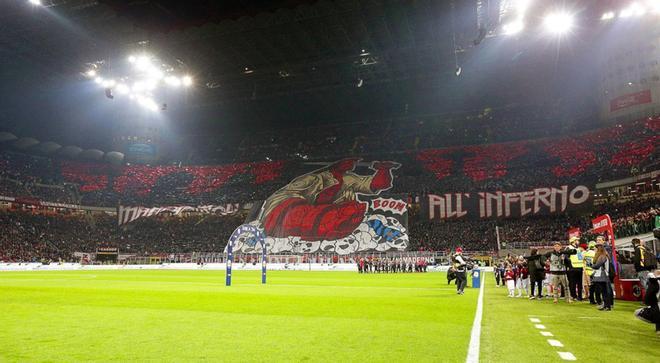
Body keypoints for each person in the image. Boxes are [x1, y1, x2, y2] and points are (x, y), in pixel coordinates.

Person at [634, 270, 660, 335]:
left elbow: (648, 298)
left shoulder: (655, 283)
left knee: (637, 312)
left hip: (656, 308)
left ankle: (658, 329)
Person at [592, 241, 613, 311]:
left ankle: (607, 306)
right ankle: (606, 305)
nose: (596, 249)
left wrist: (591, 265)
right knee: (604, 291)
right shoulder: (604, 255)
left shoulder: (602, 256)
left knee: (604, 292)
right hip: (602, 275)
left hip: (602, 275)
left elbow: (597, 266)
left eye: (597, 247)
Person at [567, 237, 584, 301]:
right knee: (572, 283)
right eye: (577, 240)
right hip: (573, 268)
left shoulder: (578, 249)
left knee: (580, 284)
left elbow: (580, 258)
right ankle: (573, 296)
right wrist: (570, 266)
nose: (578, 242)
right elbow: (566, 258)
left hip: (579, 268)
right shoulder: (569, 248)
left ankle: (580, 296)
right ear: (573, 241)